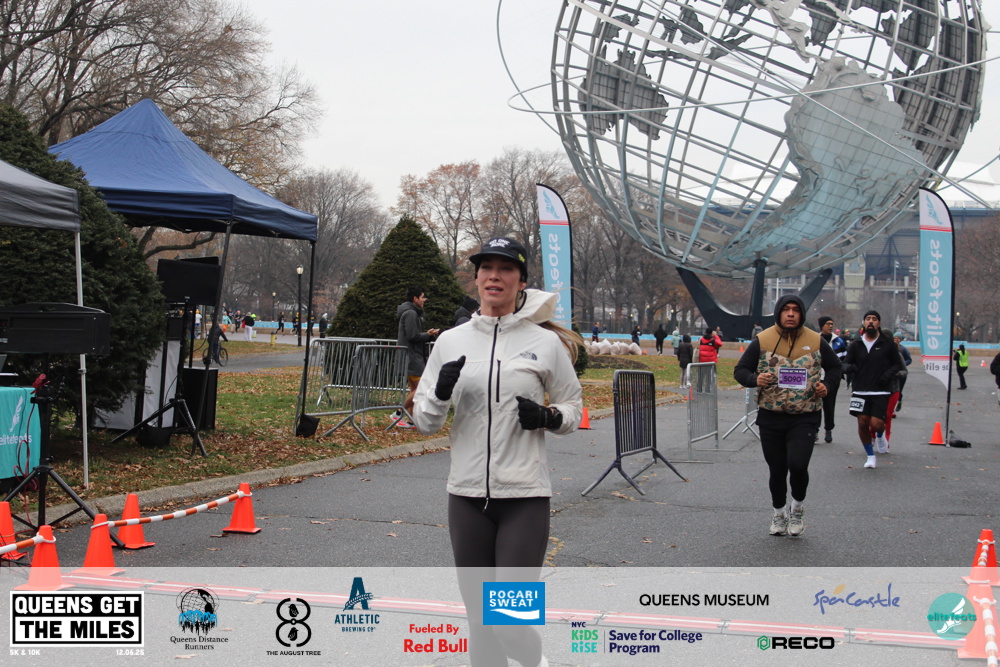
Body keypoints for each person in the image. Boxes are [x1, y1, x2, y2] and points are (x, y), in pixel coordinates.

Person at [412, 237, 582, 667]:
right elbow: (425, 422)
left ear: (521, 281)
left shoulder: (544, 343)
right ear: (476, 279)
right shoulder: (450, 341)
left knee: (507, 620)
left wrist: (547, 417)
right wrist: (440, 393)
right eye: (486, 268)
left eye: (506, 269)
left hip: (524, 497)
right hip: (466, 497)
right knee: (480, 623)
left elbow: (573, 408)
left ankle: (535, 663)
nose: (494, 276)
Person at [734, 295, 841, 537]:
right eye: (786, 310)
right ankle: (779, 513)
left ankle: (797, 508)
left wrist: (827, 386)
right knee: (777, 469)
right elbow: (740, 370)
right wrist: (755, 379)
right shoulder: (763, 339)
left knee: (798, 464)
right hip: (771, 416)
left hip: (805, 415)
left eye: (795, 310)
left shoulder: (815, 340)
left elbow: (836, 367)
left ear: (801, 314)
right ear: (778, 313)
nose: (790, 314)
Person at [842, 310, 905, 469]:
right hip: (860, 390)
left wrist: (886, 376)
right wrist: (850, 368)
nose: (871, 321)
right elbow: (845, 363)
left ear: (879, 323)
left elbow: (897, 365)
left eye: (874, 319)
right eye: (868, 319)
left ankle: (880, 434)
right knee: (862, 422)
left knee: (876, 423)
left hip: (880, 390)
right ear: (863, 323)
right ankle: (870, 456)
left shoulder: (887, 344)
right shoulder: (856, 344)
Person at [395, 285, 440, 427]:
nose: (424, 300)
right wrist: (428, 335)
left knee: (414, 389)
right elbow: (412, 336)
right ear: (415, 298)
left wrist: (428, 334)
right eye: (422, 297)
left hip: (411, 355)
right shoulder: (411, 313)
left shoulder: (411, 312)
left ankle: (411, 420)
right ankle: (398, 413)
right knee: (422, 388)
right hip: (412, 356)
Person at [818, 316, 847, 443]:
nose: (830, 326)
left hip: (832, 379)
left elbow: (844, 360)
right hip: (818, 377)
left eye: (831, 324)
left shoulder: (839, 341)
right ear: (821, 326)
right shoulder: (815, 340)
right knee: (816, 405)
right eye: (827, 324)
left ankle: (828, 429)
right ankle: (815, 430)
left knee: (829, 405)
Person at [893, 332, 912, 412]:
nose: (896, 340)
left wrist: (903, 364)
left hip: (901, 373)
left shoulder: (903, 349)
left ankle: (899, 401)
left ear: (900, 340)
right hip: (892, 373)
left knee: (899, 390)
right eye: (895, 338)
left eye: (898, 338)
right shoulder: (890, 348)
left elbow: (909, 360)